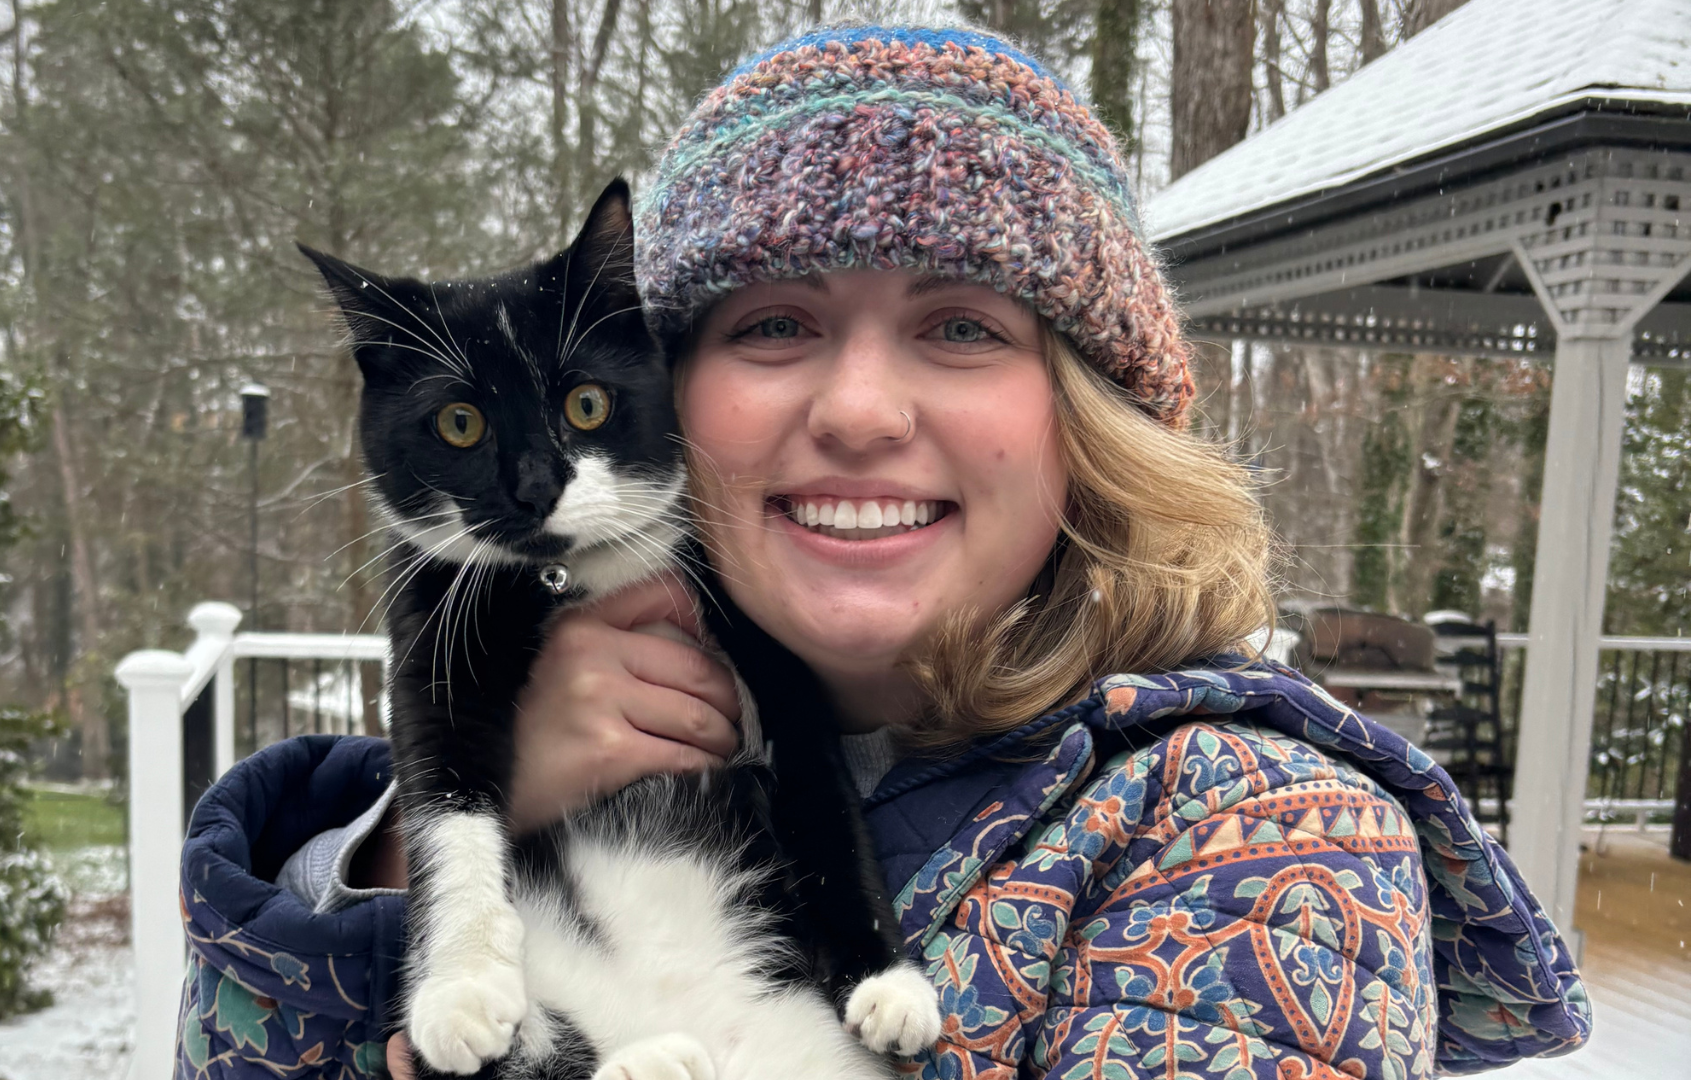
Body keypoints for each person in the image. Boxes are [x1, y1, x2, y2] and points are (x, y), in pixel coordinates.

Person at [175, 24, 1590, 1080]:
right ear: (666, 390)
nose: (857, 411)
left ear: (1084, 418)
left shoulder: (1250, 834)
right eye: (774, 325)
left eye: (964, 326)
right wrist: (415, 868)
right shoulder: (465, 746)